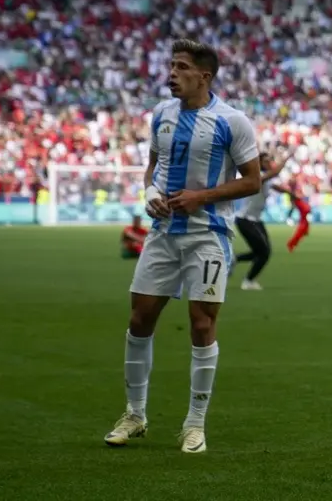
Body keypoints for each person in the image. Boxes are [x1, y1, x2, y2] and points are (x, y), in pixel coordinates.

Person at [104, 39, 261, 455]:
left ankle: (195, 424)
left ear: (204, 76)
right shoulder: (161, 114)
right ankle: (135, 414)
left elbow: (252, 180)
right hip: (163, 233)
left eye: (181, 67)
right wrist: (150, 192)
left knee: (201, 325)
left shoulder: (233, 121)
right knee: (140, 319)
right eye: (171, 65)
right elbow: (152, 169)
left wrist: (200, 197)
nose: (171, 73)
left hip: (208, 236)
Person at [233, 152, 288, 290]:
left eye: (270, 160)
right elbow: (273, 174)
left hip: (255, 220)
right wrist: (287, 158)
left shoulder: (266, 179)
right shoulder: (257, 177)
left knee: (262, 251)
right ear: (259, 163)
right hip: (245, 219)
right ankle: (248, 281)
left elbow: (275, 186)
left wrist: (292, 195)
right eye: (266, 161)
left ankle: (235, 259)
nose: (269, 163)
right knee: (264, 252)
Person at [285, 182, 312, 252]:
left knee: (303, 232)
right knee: (299, 233)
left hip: (305, 218)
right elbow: (294, 196)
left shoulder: (300, 200)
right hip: (304, 219)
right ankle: (290, 244)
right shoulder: (297, 200)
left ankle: (293, 242)